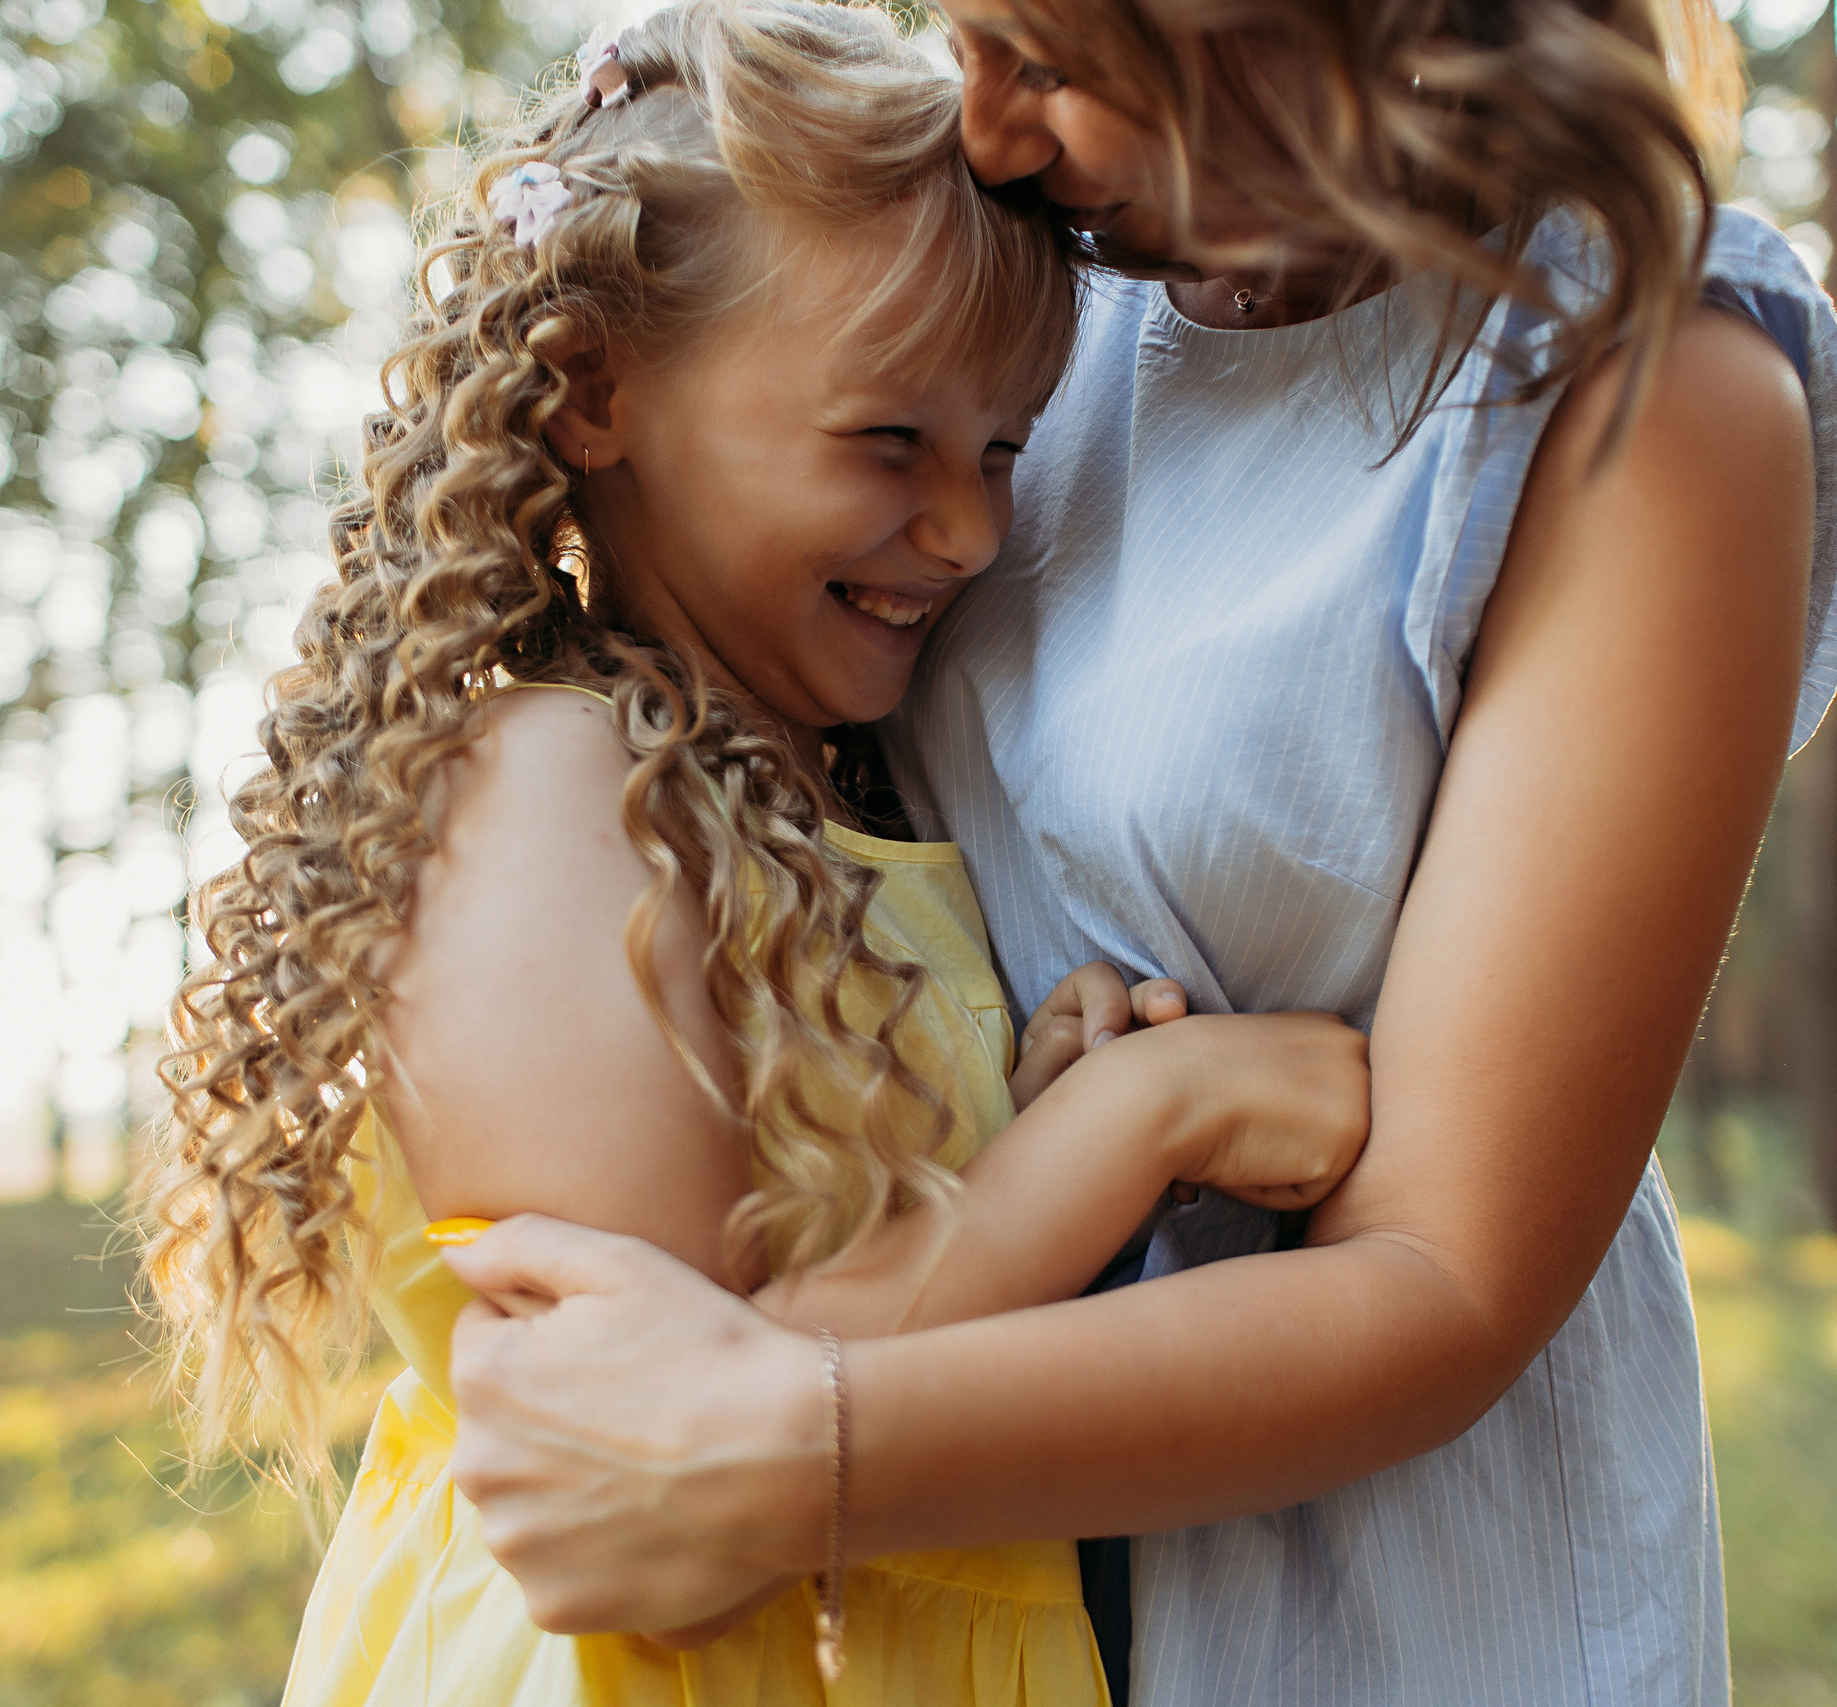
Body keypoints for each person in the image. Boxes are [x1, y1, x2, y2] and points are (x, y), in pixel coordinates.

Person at [433, 0, 1837, 1703]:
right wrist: (1069, 1107)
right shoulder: (1021, 294)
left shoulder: (1637, 388)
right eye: (967, 35)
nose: (986, 133)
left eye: (1050, 62)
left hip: (1376, 1595)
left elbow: (1445, 1275)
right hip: (942, 1581)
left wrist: (775, 1440)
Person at [137, 2, 1374, 1702]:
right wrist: (1147, 1119)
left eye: (1004, 448)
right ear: (591, 393)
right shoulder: (546, 790)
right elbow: (673, 1414)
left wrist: (1022, 1094)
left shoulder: (818, 792)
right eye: (890, 442)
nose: (973, 529)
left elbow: (828, 1252)